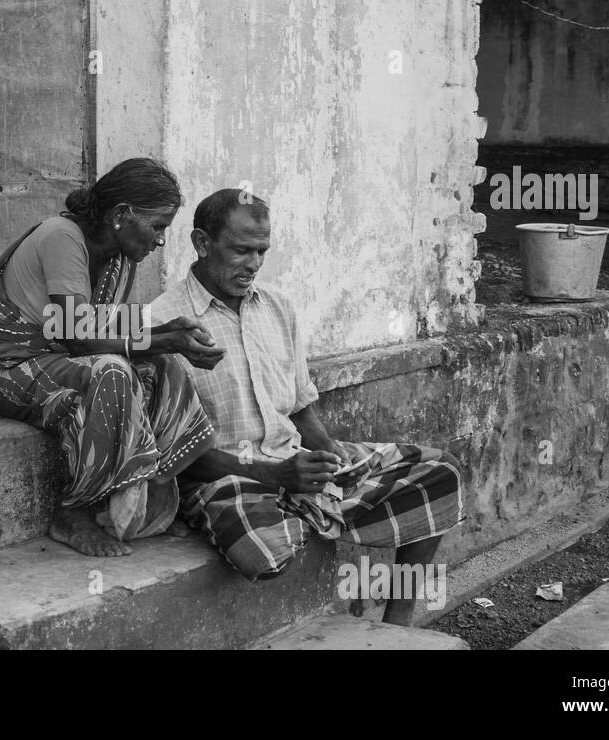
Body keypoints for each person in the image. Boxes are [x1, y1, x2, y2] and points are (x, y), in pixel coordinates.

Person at [146, 188, 465, 625]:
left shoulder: (278, 306)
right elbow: (173, 457)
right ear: (202, 244)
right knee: (261, 550)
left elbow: (299, 408)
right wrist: (272, 476)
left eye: (262, 251)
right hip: (225, 478)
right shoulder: (162, 323)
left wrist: (334, 457)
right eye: (241, 250)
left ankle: (397, 622)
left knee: (441, 473)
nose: (254, 264)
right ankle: (315, 508)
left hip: (291, 462)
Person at [0, 158, 224, 557]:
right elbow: (77, 336)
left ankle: (145, 502)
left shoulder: (118, 259)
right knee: (112, 372)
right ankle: (74, 510)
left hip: (54, 357)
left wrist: (170, 334)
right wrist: (165, 339)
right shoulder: (61, 237)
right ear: (121, 215)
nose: (161, 240)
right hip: (1, 364)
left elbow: (104, 328)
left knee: (162, 368)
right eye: (158, 226)